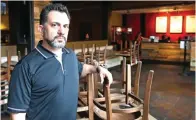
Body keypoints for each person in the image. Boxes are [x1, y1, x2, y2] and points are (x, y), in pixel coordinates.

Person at [7, 3, 113, 120]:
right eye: (55, 25)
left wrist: (98, 68)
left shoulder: (70, 55)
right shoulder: (25, 67)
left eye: (65, 26)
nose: (61, 31)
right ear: (41, 29)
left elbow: (80, 69)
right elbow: (18, 116)